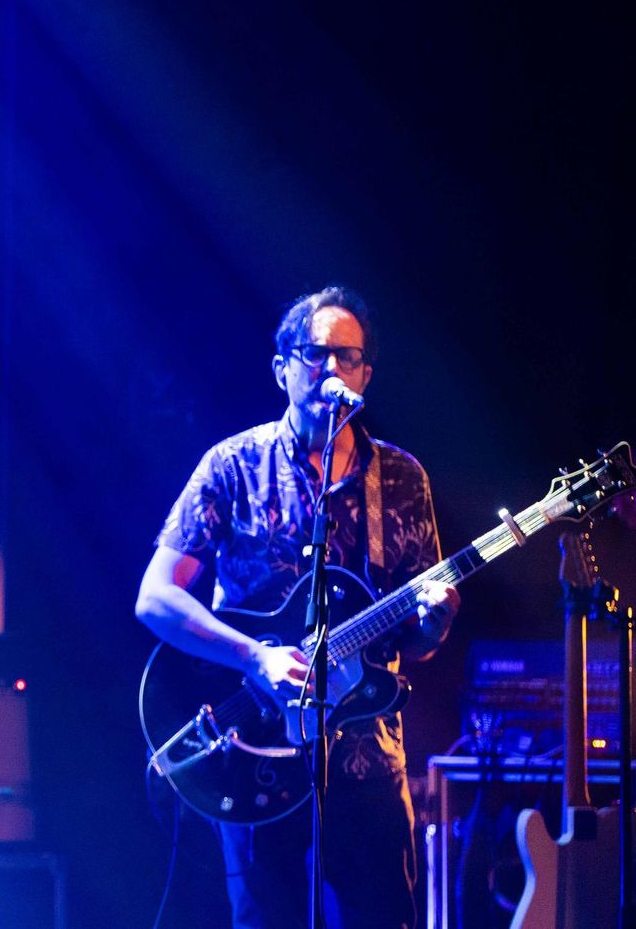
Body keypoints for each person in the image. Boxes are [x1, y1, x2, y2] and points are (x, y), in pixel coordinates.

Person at [135, 286, 459, 929]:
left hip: (367, 759)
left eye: (348, 356)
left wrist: (436, 619)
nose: (332, 369)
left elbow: (418, 640)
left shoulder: (400, 479)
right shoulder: (233, 466)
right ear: (282, 366)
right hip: (254, 752)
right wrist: (254, 657)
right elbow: (156, 597)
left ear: (367, 373)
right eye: (316, 354)